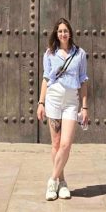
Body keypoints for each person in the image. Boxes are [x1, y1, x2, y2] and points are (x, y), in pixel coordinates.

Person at [37, 18, 89, 201]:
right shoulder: (50, 54)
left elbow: (83, 80)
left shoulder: (79, 53)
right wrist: (41, 103)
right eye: (60, 31)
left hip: (71, 102)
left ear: (70, 33)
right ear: (56, 34)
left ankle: (52, 180)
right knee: (56, 143)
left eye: (65, 31)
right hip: (53, 99)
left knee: (66, 144)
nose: (63, 34)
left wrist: (84, 107)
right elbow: (45, 78)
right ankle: (62, 182)